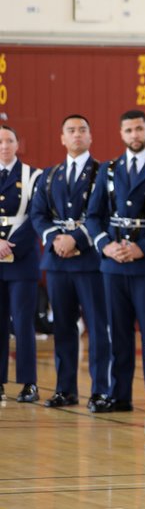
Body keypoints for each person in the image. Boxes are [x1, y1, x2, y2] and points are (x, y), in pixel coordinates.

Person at [85, 110, 145, 412]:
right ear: (121, 134)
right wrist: (105, 246)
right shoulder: (108, 170)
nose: (134, 135)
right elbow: (94, 216)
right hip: (113, 263)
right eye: (128, 130)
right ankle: (119, 395)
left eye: (139, 129)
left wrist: (143, 249)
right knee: (118, 331)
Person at [30, 115, 112, 410]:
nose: (77, 135)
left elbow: (105, 216)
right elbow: (38, 214)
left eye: (82, 130)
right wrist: (55, 239)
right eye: (71, 131)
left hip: (90, 262)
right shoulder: (50, 175)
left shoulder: (104, 173)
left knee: (98, 327)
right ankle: (65, 389)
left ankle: (102, 390)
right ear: (62, 138)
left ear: (90, 137)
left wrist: (76, 239)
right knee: (64, 327)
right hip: (58, 263)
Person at [0, 126, 44, 403]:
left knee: (23, 322)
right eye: (0, 142)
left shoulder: (33, 176)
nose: (4, 145)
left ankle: (29, 383)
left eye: (9, 140)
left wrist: (10, 245)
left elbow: (36, 216)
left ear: (18, 143)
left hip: (22, 258)